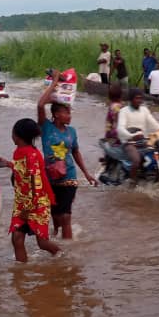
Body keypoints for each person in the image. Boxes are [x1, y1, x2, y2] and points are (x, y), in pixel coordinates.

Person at [38, 71, 97, 239]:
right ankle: (57, 236)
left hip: (69, 177)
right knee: (55, 214)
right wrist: (55, 81)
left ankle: (68, 251)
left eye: (70, 112)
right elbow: (40, 105)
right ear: (56, 114)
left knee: (65, 215)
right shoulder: (46, 128)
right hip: (50, 177)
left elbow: (76, 151)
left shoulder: (72, 131)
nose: (69, 116)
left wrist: (86, 173)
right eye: (66, 112)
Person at [0, 118, 59, 261]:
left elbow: (35, 182)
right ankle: (21, 275)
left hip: (36, 203)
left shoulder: (31, 154)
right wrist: (7, 164)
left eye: (12, 132)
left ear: (18, 135)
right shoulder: (19, 152)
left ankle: (61, 256)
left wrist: (28, 208)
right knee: (17, 238)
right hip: (22, 202)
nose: (11, 136)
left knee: (42, 243)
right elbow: (22, 171)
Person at [117, 89, 159, 179]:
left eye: (140, 98)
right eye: (137, 98)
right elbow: (120, 128)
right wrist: (131, 136)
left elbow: (154, 124)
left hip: (142, 140)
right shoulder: (124, 111)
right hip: (129, 142)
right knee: (136, 160)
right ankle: (132, 183)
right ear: (131, 99)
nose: (139, 100)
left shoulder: (144, 110)